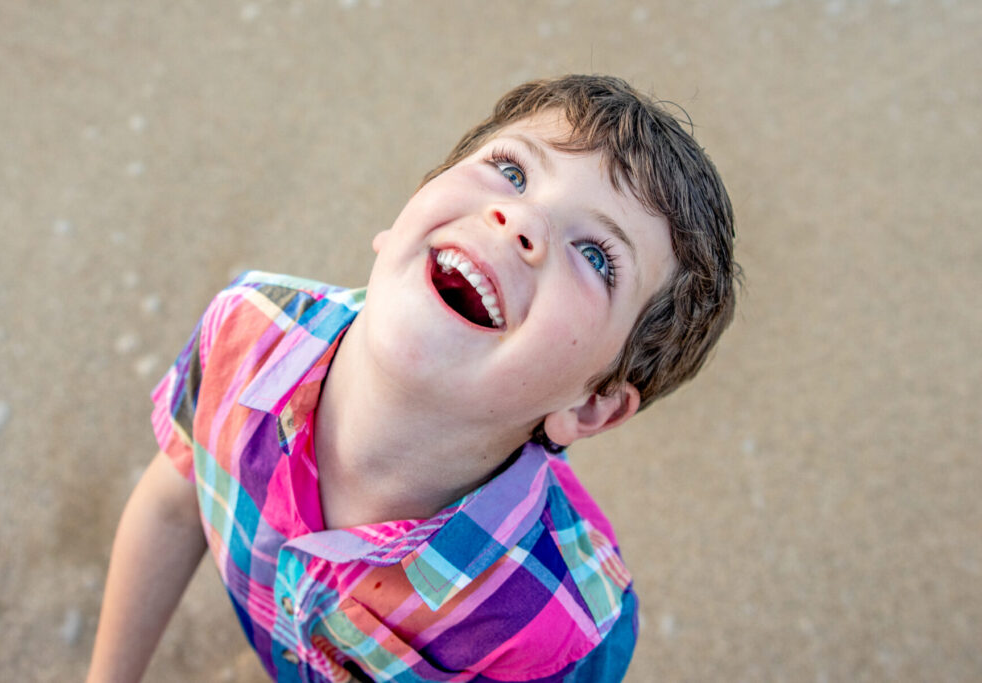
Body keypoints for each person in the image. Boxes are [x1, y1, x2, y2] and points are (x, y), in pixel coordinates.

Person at [87, 74, 738, 682]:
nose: (522, 219)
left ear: (592, 405)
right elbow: (173, 510)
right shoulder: (245, 332)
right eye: (510, 170)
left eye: (596, 254)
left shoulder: (557, 623)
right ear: (402, 220)